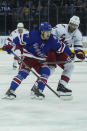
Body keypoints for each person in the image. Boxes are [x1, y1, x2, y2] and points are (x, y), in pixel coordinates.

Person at [2, 22, 74, 100]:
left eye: (49, 31)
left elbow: (63, 46)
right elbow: (18, 39)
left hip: (40, 60)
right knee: (23, 73)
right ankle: (10, 91)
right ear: (42, 32)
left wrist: (70, 53)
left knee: (46, 71)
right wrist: (9, 46)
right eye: (47, 32)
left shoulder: (52, 39)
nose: (49, 34)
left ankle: (38, 90)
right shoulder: (32, 35)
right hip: (28, 58)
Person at [51, 15, 85, 98]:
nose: (73, 26)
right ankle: (38, 86)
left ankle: (61, 85)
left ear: (77, 26)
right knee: (50, 69)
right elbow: (49, 38)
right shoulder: (60, 27)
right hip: (51, 50)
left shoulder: (78, 34)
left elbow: (78, 48)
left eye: (75, 25)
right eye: (72, 24)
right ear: (69, 23)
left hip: (61, 52)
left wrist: (80, 53)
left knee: (70, 66)